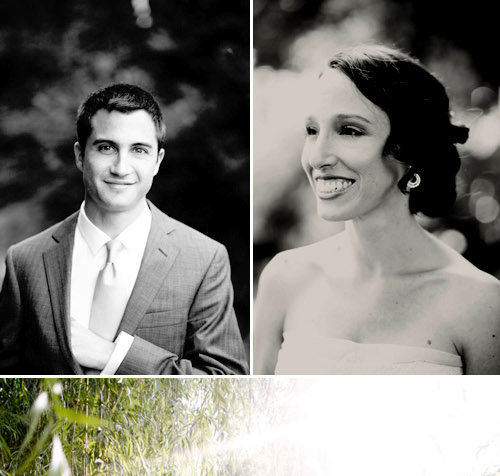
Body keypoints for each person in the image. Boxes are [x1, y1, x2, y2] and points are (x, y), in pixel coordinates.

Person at [254, 45, 500, 376]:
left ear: (408, 152)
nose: (317, 157)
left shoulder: (481, 304)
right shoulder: (284, 278)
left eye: (349, 131)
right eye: (312, 131)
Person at [0, 82, 247, 376]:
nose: (121, 167)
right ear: (80, 155)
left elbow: (226, 381)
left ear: (158, 161)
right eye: (106, 148)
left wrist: (112, 355)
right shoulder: (25, 260)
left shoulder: (204, 259)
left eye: (139, 150)